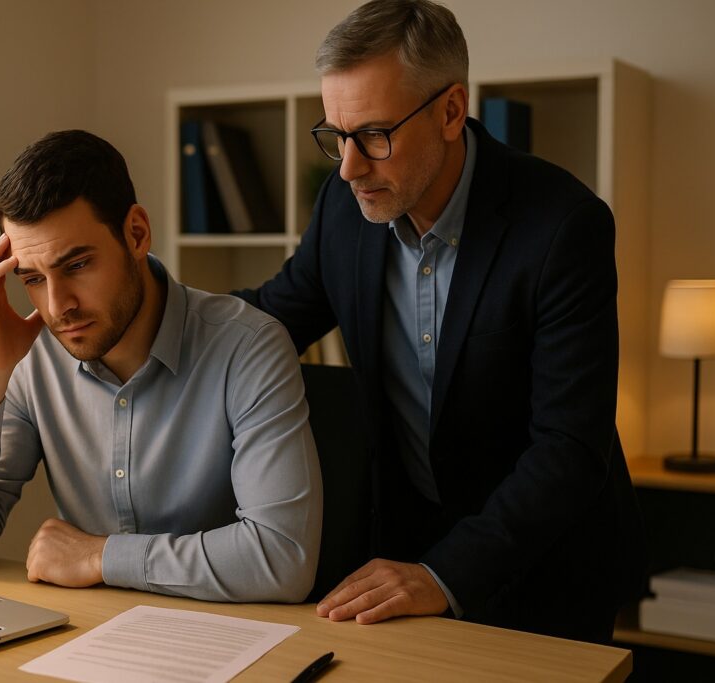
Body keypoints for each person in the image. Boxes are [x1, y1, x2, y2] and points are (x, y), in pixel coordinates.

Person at [238, 0, 645, 641]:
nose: (348, 167)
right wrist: (143, 302)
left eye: (374, 134)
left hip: (547, 570)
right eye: (336, 135)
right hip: (402, 554)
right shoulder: (344, 207)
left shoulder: (564, 226)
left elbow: (568, 448)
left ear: (451, 111)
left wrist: (444, 574)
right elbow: (269, 319)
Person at [0, 130, 322, 603]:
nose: (58, 306)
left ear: (136, 233)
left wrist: (99, 557)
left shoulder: (248, 347)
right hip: (92, 633)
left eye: (77, 265)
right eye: (33, 279)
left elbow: (282, 558)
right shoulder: (33, 358)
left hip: (229, 634)